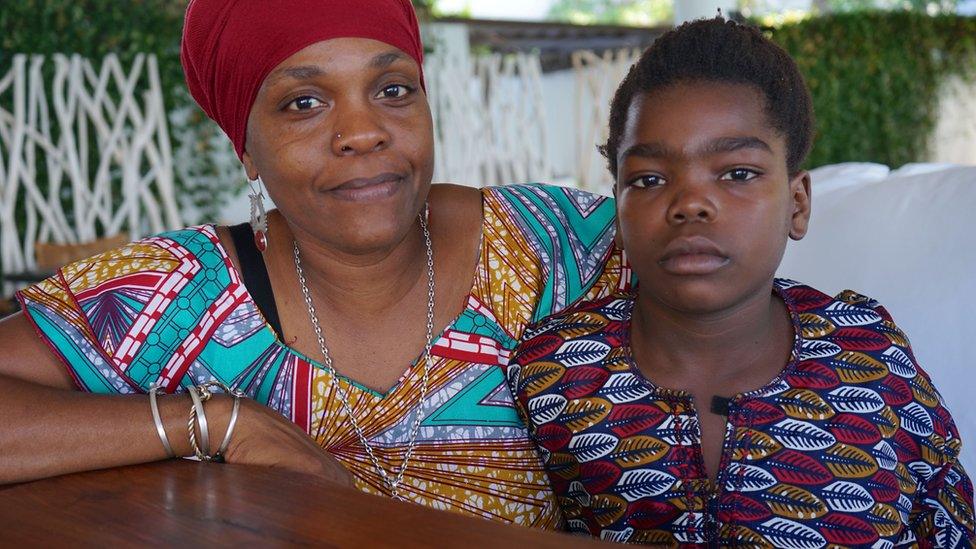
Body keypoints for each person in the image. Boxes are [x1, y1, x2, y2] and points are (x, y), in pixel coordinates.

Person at [0, 0, 627, 528]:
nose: (363, 132)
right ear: (245, 148)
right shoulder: (179, 296)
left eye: (392, 89)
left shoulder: (555, 248)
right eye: (304, 102)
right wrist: (213, 421)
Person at [508, 17, 975, 546]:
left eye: (737, 173)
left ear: (797, 203)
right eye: (648, 180)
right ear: (618, 206)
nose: (689, 204)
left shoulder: (867, 351)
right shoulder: (555, 372)